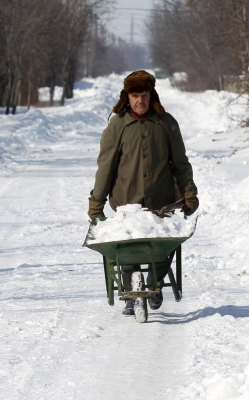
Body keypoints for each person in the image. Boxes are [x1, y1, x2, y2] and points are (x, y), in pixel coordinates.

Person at [87, 70, 199, 315]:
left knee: (161, 246)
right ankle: (129, 295)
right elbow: (105, 167)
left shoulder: (167, 123)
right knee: (127, 249)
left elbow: (180, 163)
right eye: (135, 95)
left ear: (152, 95)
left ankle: (155, 286)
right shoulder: (117, 126)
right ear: (126, 97)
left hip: (161, 202)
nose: (140, 100)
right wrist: (97, 203)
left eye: (144, 95)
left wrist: (189, 193)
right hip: (127, 203)